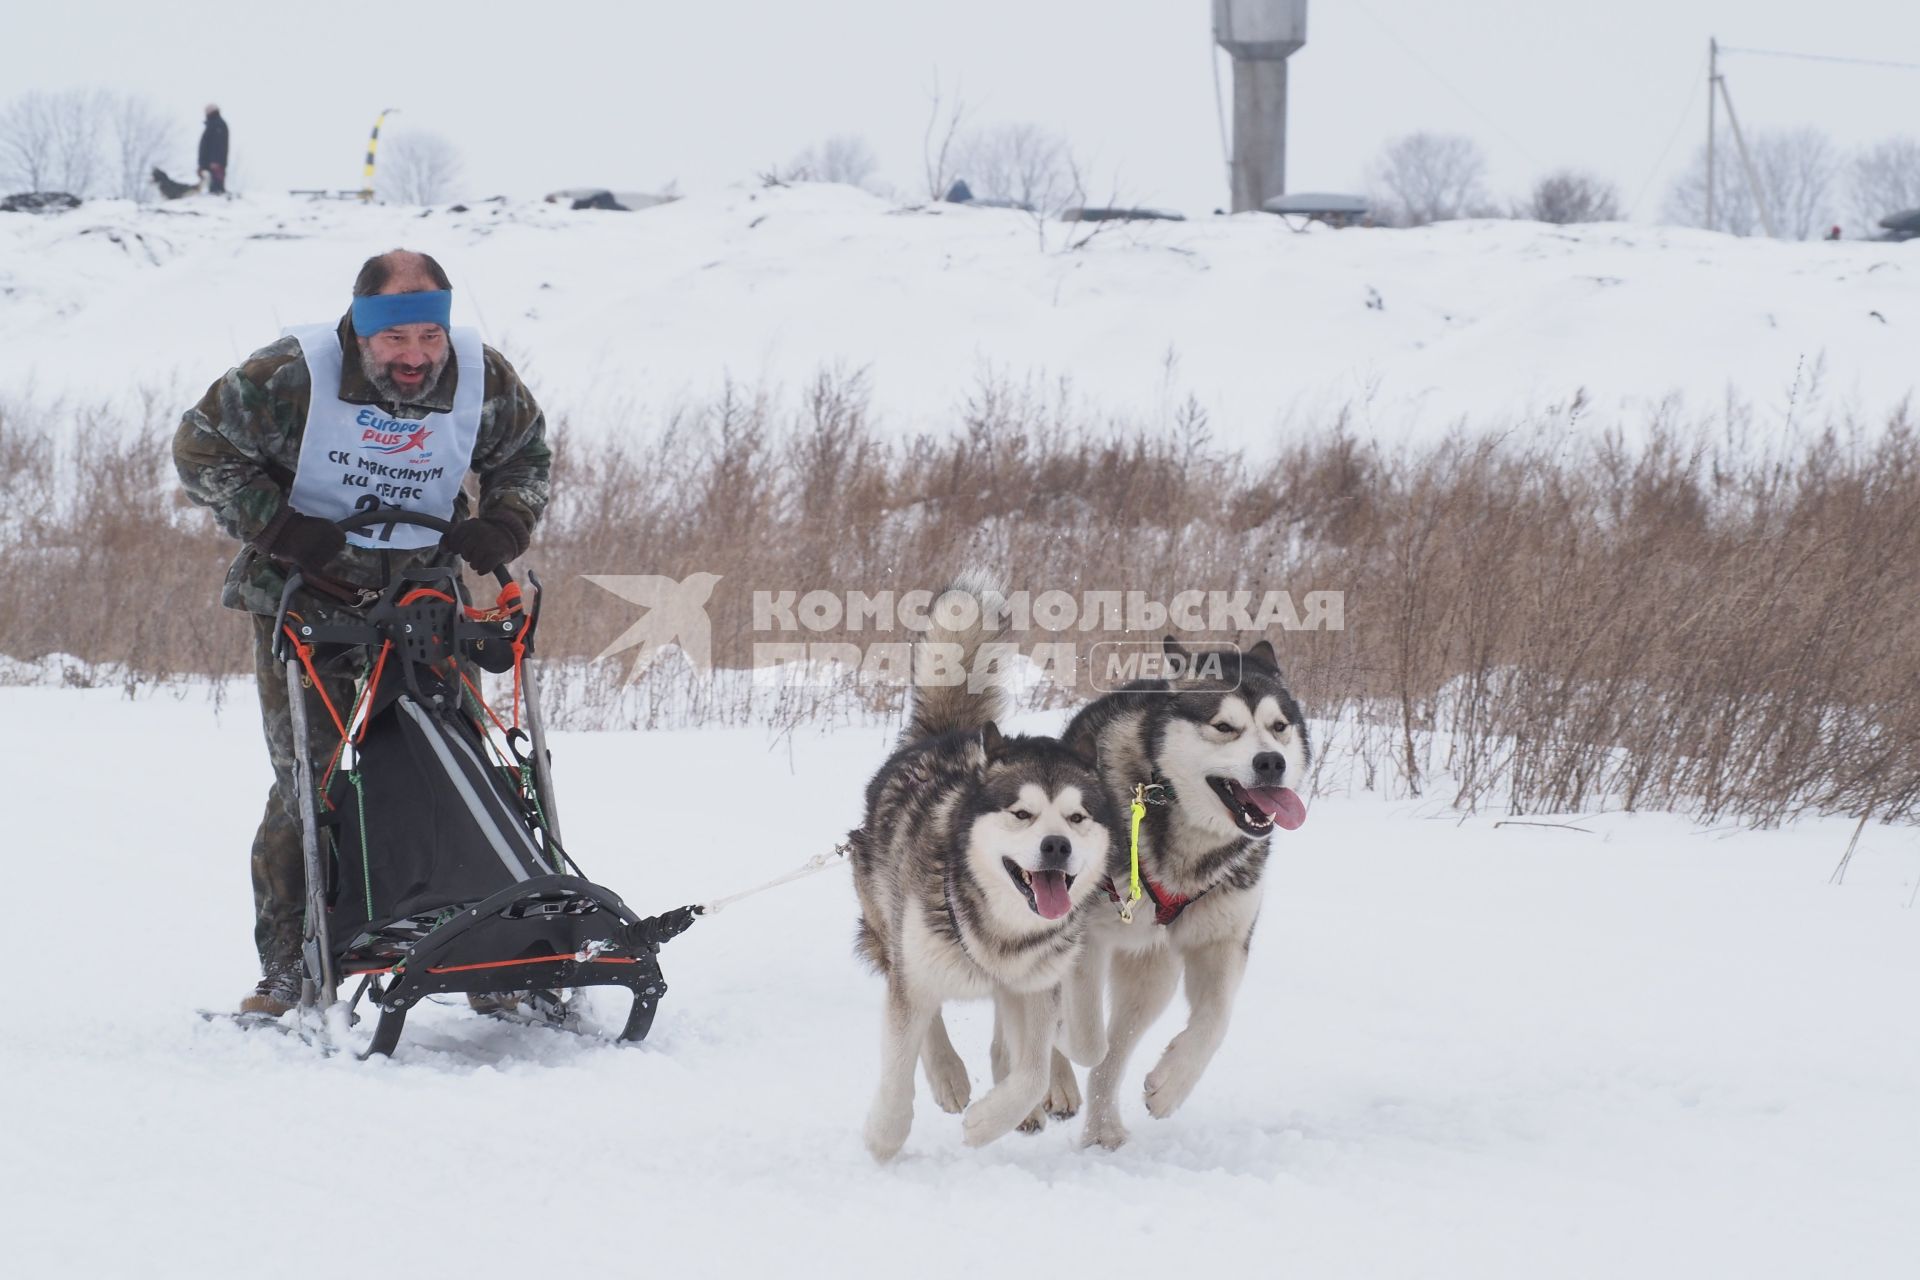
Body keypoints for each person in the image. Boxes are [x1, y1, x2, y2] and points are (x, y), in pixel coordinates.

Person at [173, 249, 552, 1016]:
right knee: (309, 779)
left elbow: (524, 455)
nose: (415, 358)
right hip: (306, 598)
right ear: (361, 329)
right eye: (395, 341)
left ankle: (485, 952)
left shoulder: (482, 376)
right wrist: (277, 527)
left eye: (429, 339)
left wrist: (506, 523)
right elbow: (200, 450)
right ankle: (291, 965)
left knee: (452, 767)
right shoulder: (290, 374)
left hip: (423, 599)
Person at [198, 105, 229, 195]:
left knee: (217, 188)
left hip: (215, 163)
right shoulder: (212, 124)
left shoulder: (218, 124)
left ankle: (220, 202)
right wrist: (202, 164)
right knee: (211, 187)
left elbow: (219, 145)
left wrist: (215, 161)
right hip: (209, 162)